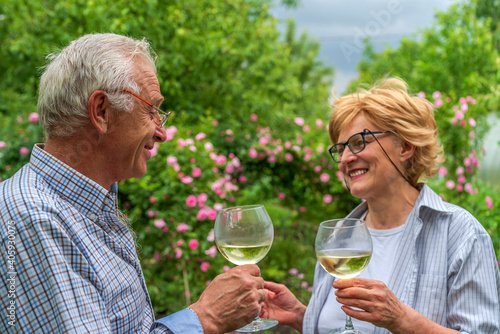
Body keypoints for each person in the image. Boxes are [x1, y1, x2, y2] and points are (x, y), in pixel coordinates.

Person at [0, 33, 266, 334]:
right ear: (101, 111)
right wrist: (205, 319)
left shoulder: (85, 206)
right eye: (151, 109)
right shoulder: (34, 218)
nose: (161, 132)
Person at [260, 77, 500, 333]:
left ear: (406, 146)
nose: (346, 158)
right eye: (341, 149)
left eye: (359, 142)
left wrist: (402, 320)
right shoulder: (338, 237)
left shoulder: (461, 235)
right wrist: (301, 316)